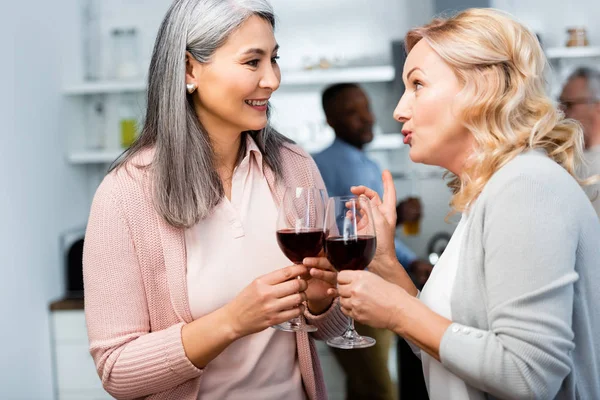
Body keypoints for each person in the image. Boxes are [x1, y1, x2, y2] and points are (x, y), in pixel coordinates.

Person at [309, 8, 600, 400]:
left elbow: (528, 376)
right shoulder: (496, 190)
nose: (398, 110)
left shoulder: (528, 186)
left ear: (480, 89)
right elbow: (450, 348)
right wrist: (387, 265)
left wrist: (397, 311)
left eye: (417, 85)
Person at [82, 1, 346, 399]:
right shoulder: (126, 193)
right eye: (252, 62)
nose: (272, 80)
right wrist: (233, 321)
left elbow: (331, 328)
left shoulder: (295, 167)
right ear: (190, 69)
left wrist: (323, 302)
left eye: (274, 59)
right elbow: (117, 371)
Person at [312, 83, 430, 400]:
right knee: (381, 389)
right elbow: (355, 233)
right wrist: (408, 260)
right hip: (356, 290)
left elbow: (372, 230)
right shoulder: (333, 162)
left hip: (372, 284)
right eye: (352, 112)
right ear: (330, 120)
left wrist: (404, 254)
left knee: (363, 387)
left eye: (365, 107)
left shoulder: (366, 163)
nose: (366, 118)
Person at [559, 67, 600, 216]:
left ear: (597, 107)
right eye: (560, 103)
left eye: (569, 104)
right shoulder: (568, 160)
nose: (562, 112)